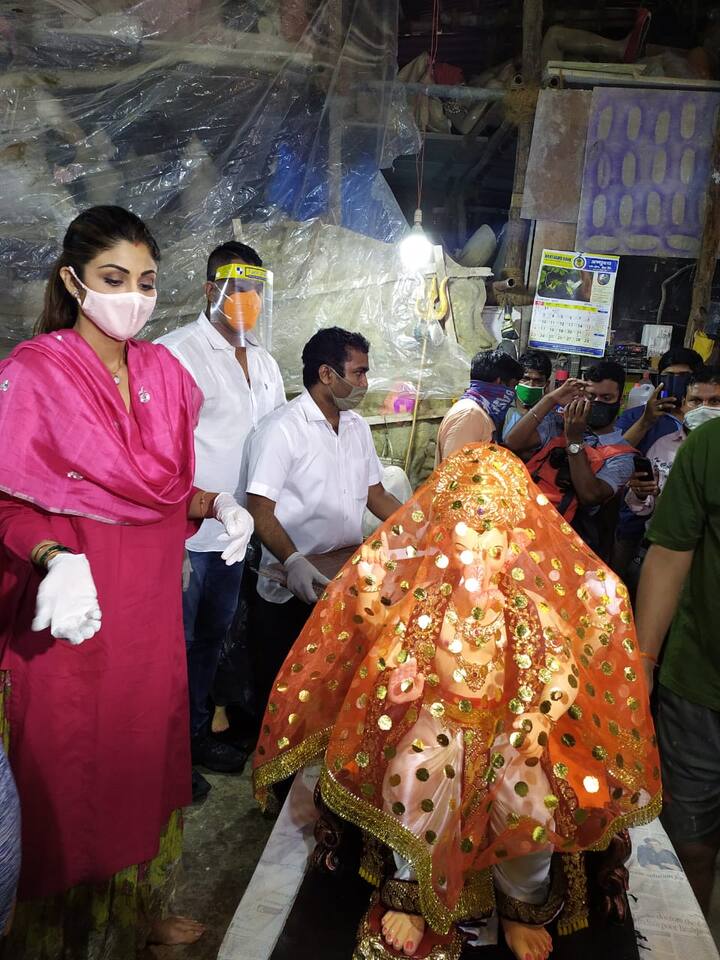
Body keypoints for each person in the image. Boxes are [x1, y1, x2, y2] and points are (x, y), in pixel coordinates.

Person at [254, 443, 660, 960]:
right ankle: (412, 892)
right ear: (445, 534)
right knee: (412, 776)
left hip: (511, 733)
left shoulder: (531, 611)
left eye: (492, 530)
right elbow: (390, 658)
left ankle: (520, 903)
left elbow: (558, 668)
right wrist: (397, 681)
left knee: (531, 801)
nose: (478, 544)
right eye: (466, 528)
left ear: (514, 540)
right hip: (439, 723)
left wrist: (539, 716)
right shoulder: (426, 603)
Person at [0, 206, 253, 959]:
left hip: (146, 610)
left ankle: (138, 915)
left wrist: (216, 503)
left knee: (144, 761)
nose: (133, 298)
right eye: (115, 280)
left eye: (146, 282)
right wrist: (52, 559)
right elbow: (8, 500)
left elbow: (161, 493)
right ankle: (56, 934)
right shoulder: (32, 374)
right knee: (67, 773)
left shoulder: (165, 377)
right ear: (74, 281)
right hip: (70, 612)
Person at [156, 241, 284, 796]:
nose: (249, 300)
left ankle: (194, 736)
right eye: (240, 289)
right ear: (212, 290)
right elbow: (160, 453)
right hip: (183, 535)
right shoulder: (176, 354)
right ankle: (161, 758)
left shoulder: (265, 361)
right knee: (171, 647)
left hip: (234, 538)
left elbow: (276, 438)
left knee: (210, 640)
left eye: (258, 290)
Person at [245, 326, 401, 719]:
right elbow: (259, 508)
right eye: (359, 372)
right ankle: (278, 777)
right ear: (327, 374)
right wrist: (294, 559)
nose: (365, 383)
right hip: (290, 585)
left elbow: (376, 495)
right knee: (284, 694)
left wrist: (422, 522)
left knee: (328, 690)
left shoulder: (355, 427)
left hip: (341, 579)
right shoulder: (282, 430)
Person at [636, 416, 720, 916]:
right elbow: (669, 554)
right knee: (688, 841)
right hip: (699, 688)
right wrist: (644, 660)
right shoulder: (708, 448)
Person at [506, 361, 634, 559]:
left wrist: (574, 440)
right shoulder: (558, 422)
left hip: (572, 548)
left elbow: (590, 495)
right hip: (522, 529)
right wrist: (550, 399)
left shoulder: (622, 454)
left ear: (620, 400)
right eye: (591, 396)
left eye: (606, 398)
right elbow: (513, 442)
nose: (597, 402)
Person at [613, 351, 708, 578]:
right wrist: (646, 421)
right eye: (670, 376)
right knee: (622, 580)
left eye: (684, 376)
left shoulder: (707, 420)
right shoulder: (638, 415)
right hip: (635, 515)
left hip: (692, 529)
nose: (677, 382)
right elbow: (615, 455)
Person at [435, 349, 523, 466]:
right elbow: (455, 472)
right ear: (499, 382)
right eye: (513, 386)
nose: (513, 392)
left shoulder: (480, 412)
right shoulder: (469, 415)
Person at [501, 349, 552, 442]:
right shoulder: (502, 407)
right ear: (516, 379)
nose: (531, 385)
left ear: (546, 384)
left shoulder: (547, 417)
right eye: (526, 379)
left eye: (538, 381)